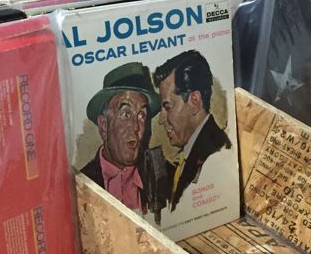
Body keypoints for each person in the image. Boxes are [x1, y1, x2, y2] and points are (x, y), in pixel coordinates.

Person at [154, 50, 232, 211]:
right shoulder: (191, 154)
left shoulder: (215, 154)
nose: (161, 119)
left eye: (168, 107)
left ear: (195, 101)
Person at [80, 62, 160, 211]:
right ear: (103, 126)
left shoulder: (160, 174)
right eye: (126, 114)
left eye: (142, 115)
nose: (136, 127)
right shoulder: (82, 183)